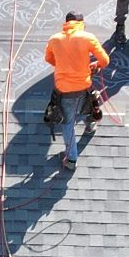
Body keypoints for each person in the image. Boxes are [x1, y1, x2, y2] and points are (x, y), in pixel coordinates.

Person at [42, 12, 113, 161]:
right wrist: (95, 65)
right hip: (83, 85)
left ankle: (71, 158)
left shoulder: (54, 39)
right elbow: (105, 60)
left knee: (68, 122)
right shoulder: (88, 37)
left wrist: (63, 66)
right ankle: (90, 126)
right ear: (81, 23)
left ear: (66, 23)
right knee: (88, 105)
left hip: (64, 90)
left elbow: (48, 58)